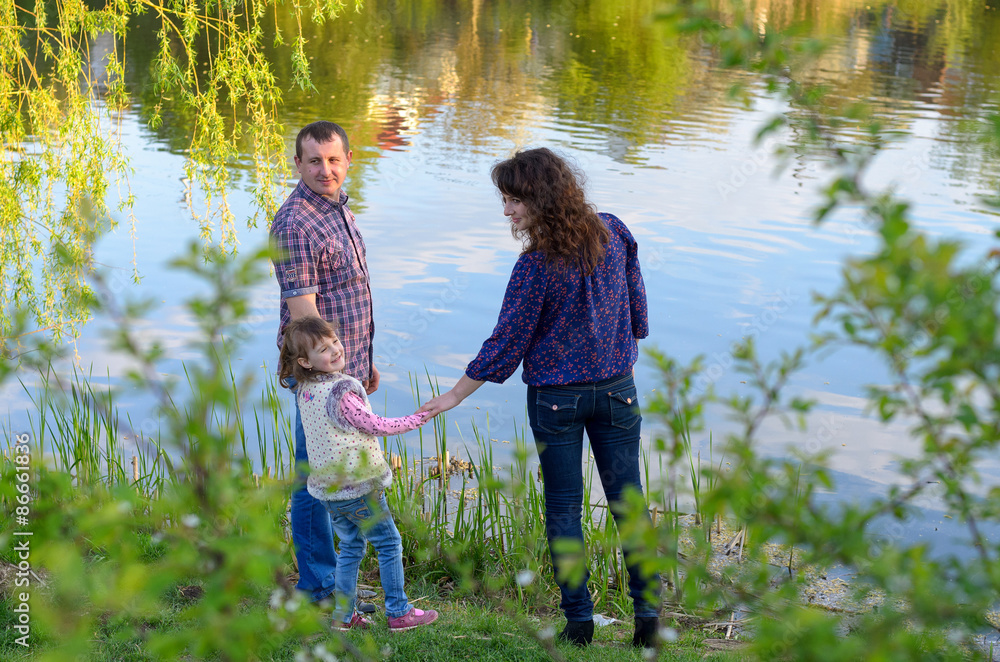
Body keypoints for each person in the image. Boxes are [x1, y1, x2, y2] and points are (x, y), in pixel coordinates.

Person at [419, 148, 661, 647]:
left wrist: (455, 395)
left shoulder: (536, 265)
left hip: (558, 402)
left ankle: (579, 626)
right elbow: (637, 303)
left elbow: (508, 340)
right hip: (619, 392)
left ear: (540, 197)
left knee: (564, 510)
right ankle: (649, 625)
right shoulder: (614, 230)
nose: (506, 212)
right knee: (628, 505)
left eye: (512, 201)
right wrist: (625, 339)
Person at [270, 121, 379, 609]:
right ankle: (317, 585)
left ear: (349, 159)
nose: (325, 169)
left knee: (331, 470)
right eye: (314, 161)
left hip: (345, 369)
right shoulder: (295, 223)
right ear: (298, 164)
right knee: (315, 475)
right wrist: (339, 380)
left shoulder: (337, 208)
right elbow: (306, 319)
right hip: (321, 379)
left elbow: (351, 293)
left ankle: (335, 582)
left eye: (333, 159)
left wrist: (363, 364)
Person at [279, 316, 439, 631]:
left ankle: (343, 615)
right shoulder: (341, 391)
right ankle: (399, 612)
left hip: (328, 492)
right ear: (305, 361)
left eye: (334, 342)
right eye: (324, 349)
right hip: (358, 489)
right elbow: (374, 425)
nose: (335, 350)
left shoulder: (307, 390)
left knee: (351, 545)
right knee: (389, 543)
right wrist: (417, 418)